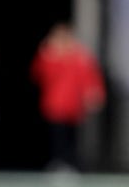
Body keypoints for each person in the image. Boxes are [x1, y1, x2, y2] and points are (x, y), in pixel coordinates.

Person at [30, 22, 106, 172]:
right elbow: (38, 75)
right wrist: (48, 55)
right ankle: (58, 163)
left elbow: (90, 78)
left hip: (74, 106)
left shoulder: (80, 57)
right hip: (55, 105)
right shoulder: (49, 56)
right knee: (57, 137)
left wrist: (95, 94)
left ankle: (71, 164)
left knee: (73, 138)